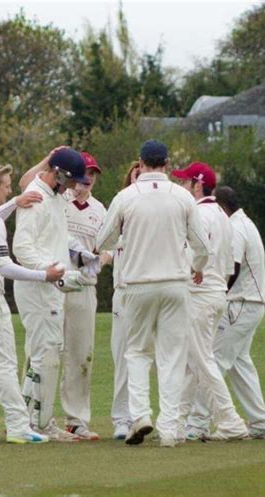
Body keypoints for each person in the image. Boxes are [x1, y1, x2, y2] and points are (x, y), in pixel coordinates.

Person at [96, 140, 210, 448]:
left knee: (137, 352)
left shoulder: (126, 197)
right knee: (172, 356)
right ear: (167, 163)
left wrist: (126, 235)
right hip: (176, 283)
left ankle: (141, 415)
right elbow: (202, 246)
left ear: (141, 163)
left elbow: (102, 239)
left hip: (137, 285)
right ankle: (170, 429)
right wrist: (196, 267)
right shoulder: (182, 197)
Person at [0, 162, 66, 444]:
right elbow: (4, 267)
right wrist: (44, 275)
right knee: (5, 361)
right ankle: (19, 425)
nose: (10, 191)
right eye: (7, 187)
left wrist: (16, 203)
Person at [13, 147, 94, 442]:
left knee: (45, 353)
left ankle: (31, 421)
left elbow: (56, 237)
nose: (75, 187)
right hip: (37, 285)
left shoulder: (55, 196)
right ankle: (37, 424)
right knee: (44, 355)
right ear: (58, 174)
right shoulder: (36, 198)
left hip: (51, 285)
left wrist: (81, 258)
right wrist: (47, 270)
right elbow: (22, 248)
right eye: (71, 180)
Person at [188, 185, 265, 439]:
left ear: (222, 207)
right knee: (239, 365)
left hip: (240, 303)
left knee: (213, 361)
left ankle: (197, 424)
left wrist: (216, 292)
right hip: (250, 304)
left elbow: (233, 268)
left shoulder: (236, 227)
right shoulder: (244, 222)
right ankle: (263, 423)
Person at [171, 164, 248, 442]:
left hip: (200, 295)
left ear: (197, 185)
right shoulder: (222, 215)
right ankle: (177, 422)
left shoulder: (199, 214)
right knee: (193, 362)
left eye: (185, 182)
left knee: (201, 360)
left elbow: (191, 256)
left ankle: (230, 421)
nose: (181, 187)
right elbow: (228, 264)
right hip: (216, 293)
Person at [61, 152, 108, 441]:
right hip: (53, 285)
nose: (88, 179)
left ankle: (76, 420)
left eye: (93, 173)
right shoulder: (58, 201)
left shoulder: (101, 210)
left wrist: (99, 260)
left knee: (81, 355)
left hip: (84, 288)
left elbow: (113, 247)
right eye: (84, 172)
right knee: (43, 351)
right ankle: (31, 415)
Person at [109, 161, 141, 440]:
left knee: (150, 357)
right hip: (124, 290)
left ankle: (143, 415)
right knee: (123, 356)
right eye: (136, 174)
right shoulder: (119, 205)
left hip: (151, 289)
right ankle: (122, 417)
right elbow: (104, 243)